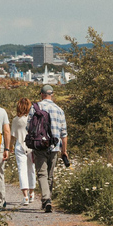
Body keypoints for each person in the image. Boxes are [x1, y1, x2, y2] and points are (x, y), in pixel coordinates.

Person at [28, 84, 68, 213]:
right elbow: (64, 133)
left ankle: (46, 199)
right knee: (50, 175)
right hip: (55, 146)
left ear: (41, 94)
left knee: (42, 174)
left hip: (40, 144)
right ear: (52, 94)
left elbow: (29, 127)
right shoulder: (59, 110)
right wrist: (64, 151)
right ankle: (47, 199)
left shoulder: (36, 107)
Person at [10, 97, 36, 206]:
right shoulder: (33, 118)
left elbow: (12, 135)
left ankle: (25, 196)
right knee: (32, 169)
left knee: (22, 170)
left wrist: (9, 147)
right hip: (32, 146)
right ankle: (32, 193)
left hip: (20, 145)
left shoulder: (16, 120)